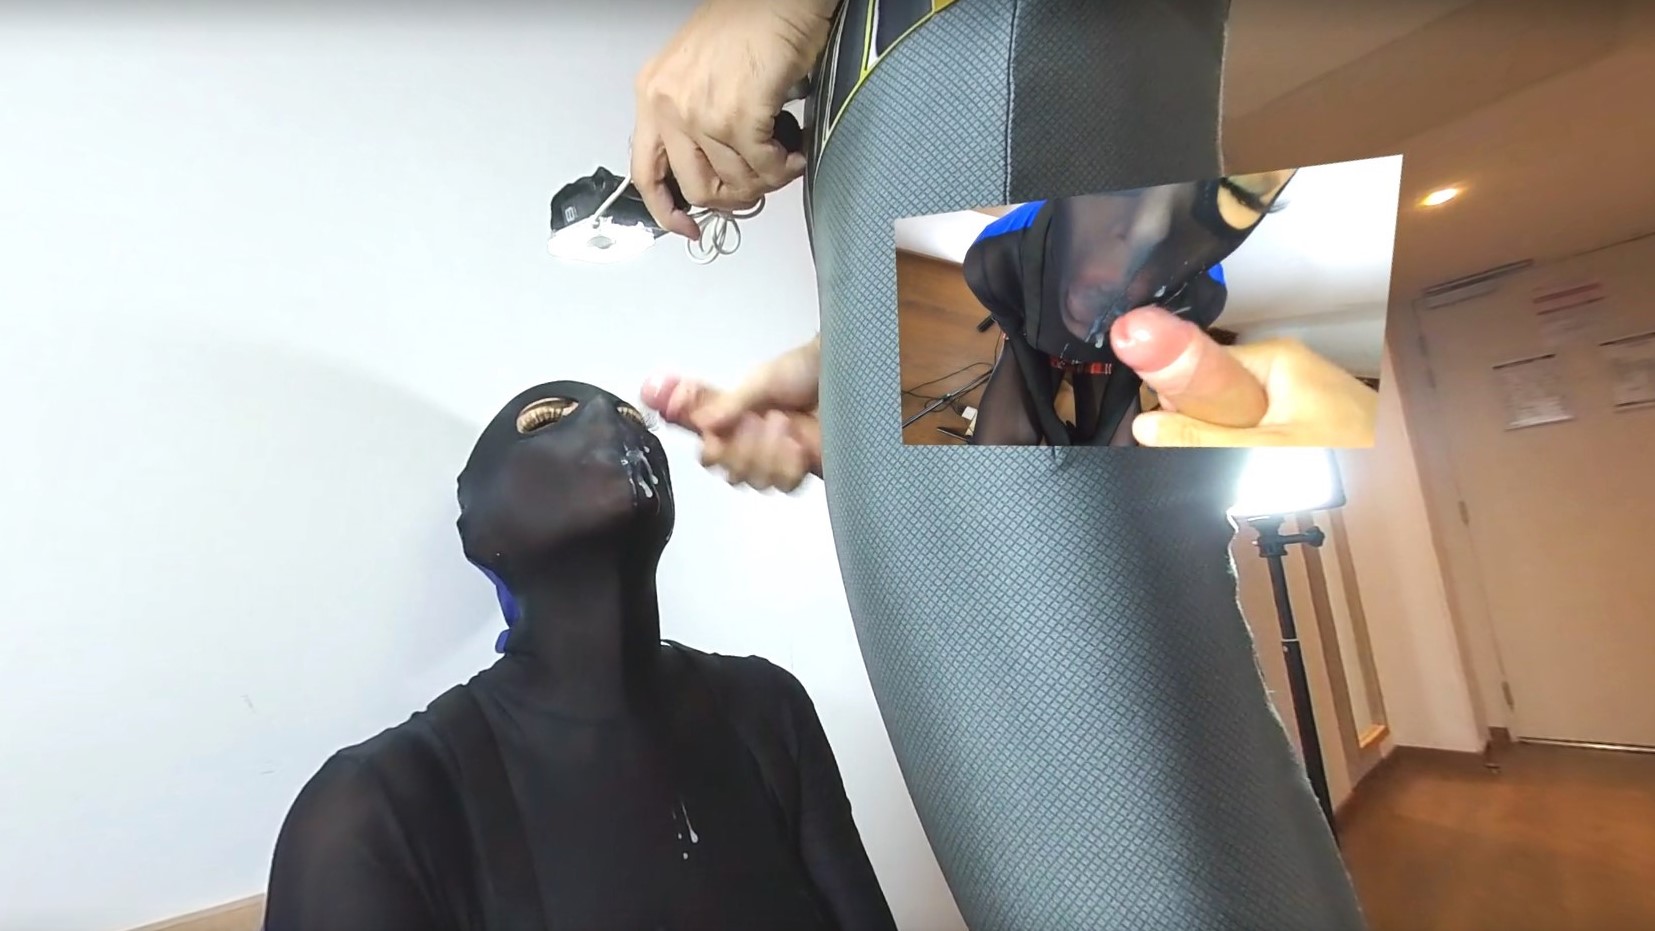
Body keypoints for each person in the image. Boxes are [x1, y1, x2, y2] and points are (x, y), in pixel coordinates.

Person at [263, 380, 896, 931]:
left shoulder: (767, 708)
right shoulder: (369, 808)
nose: (608, 420)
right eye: (546, 419)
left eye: (634, 419)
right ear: (476, 533)